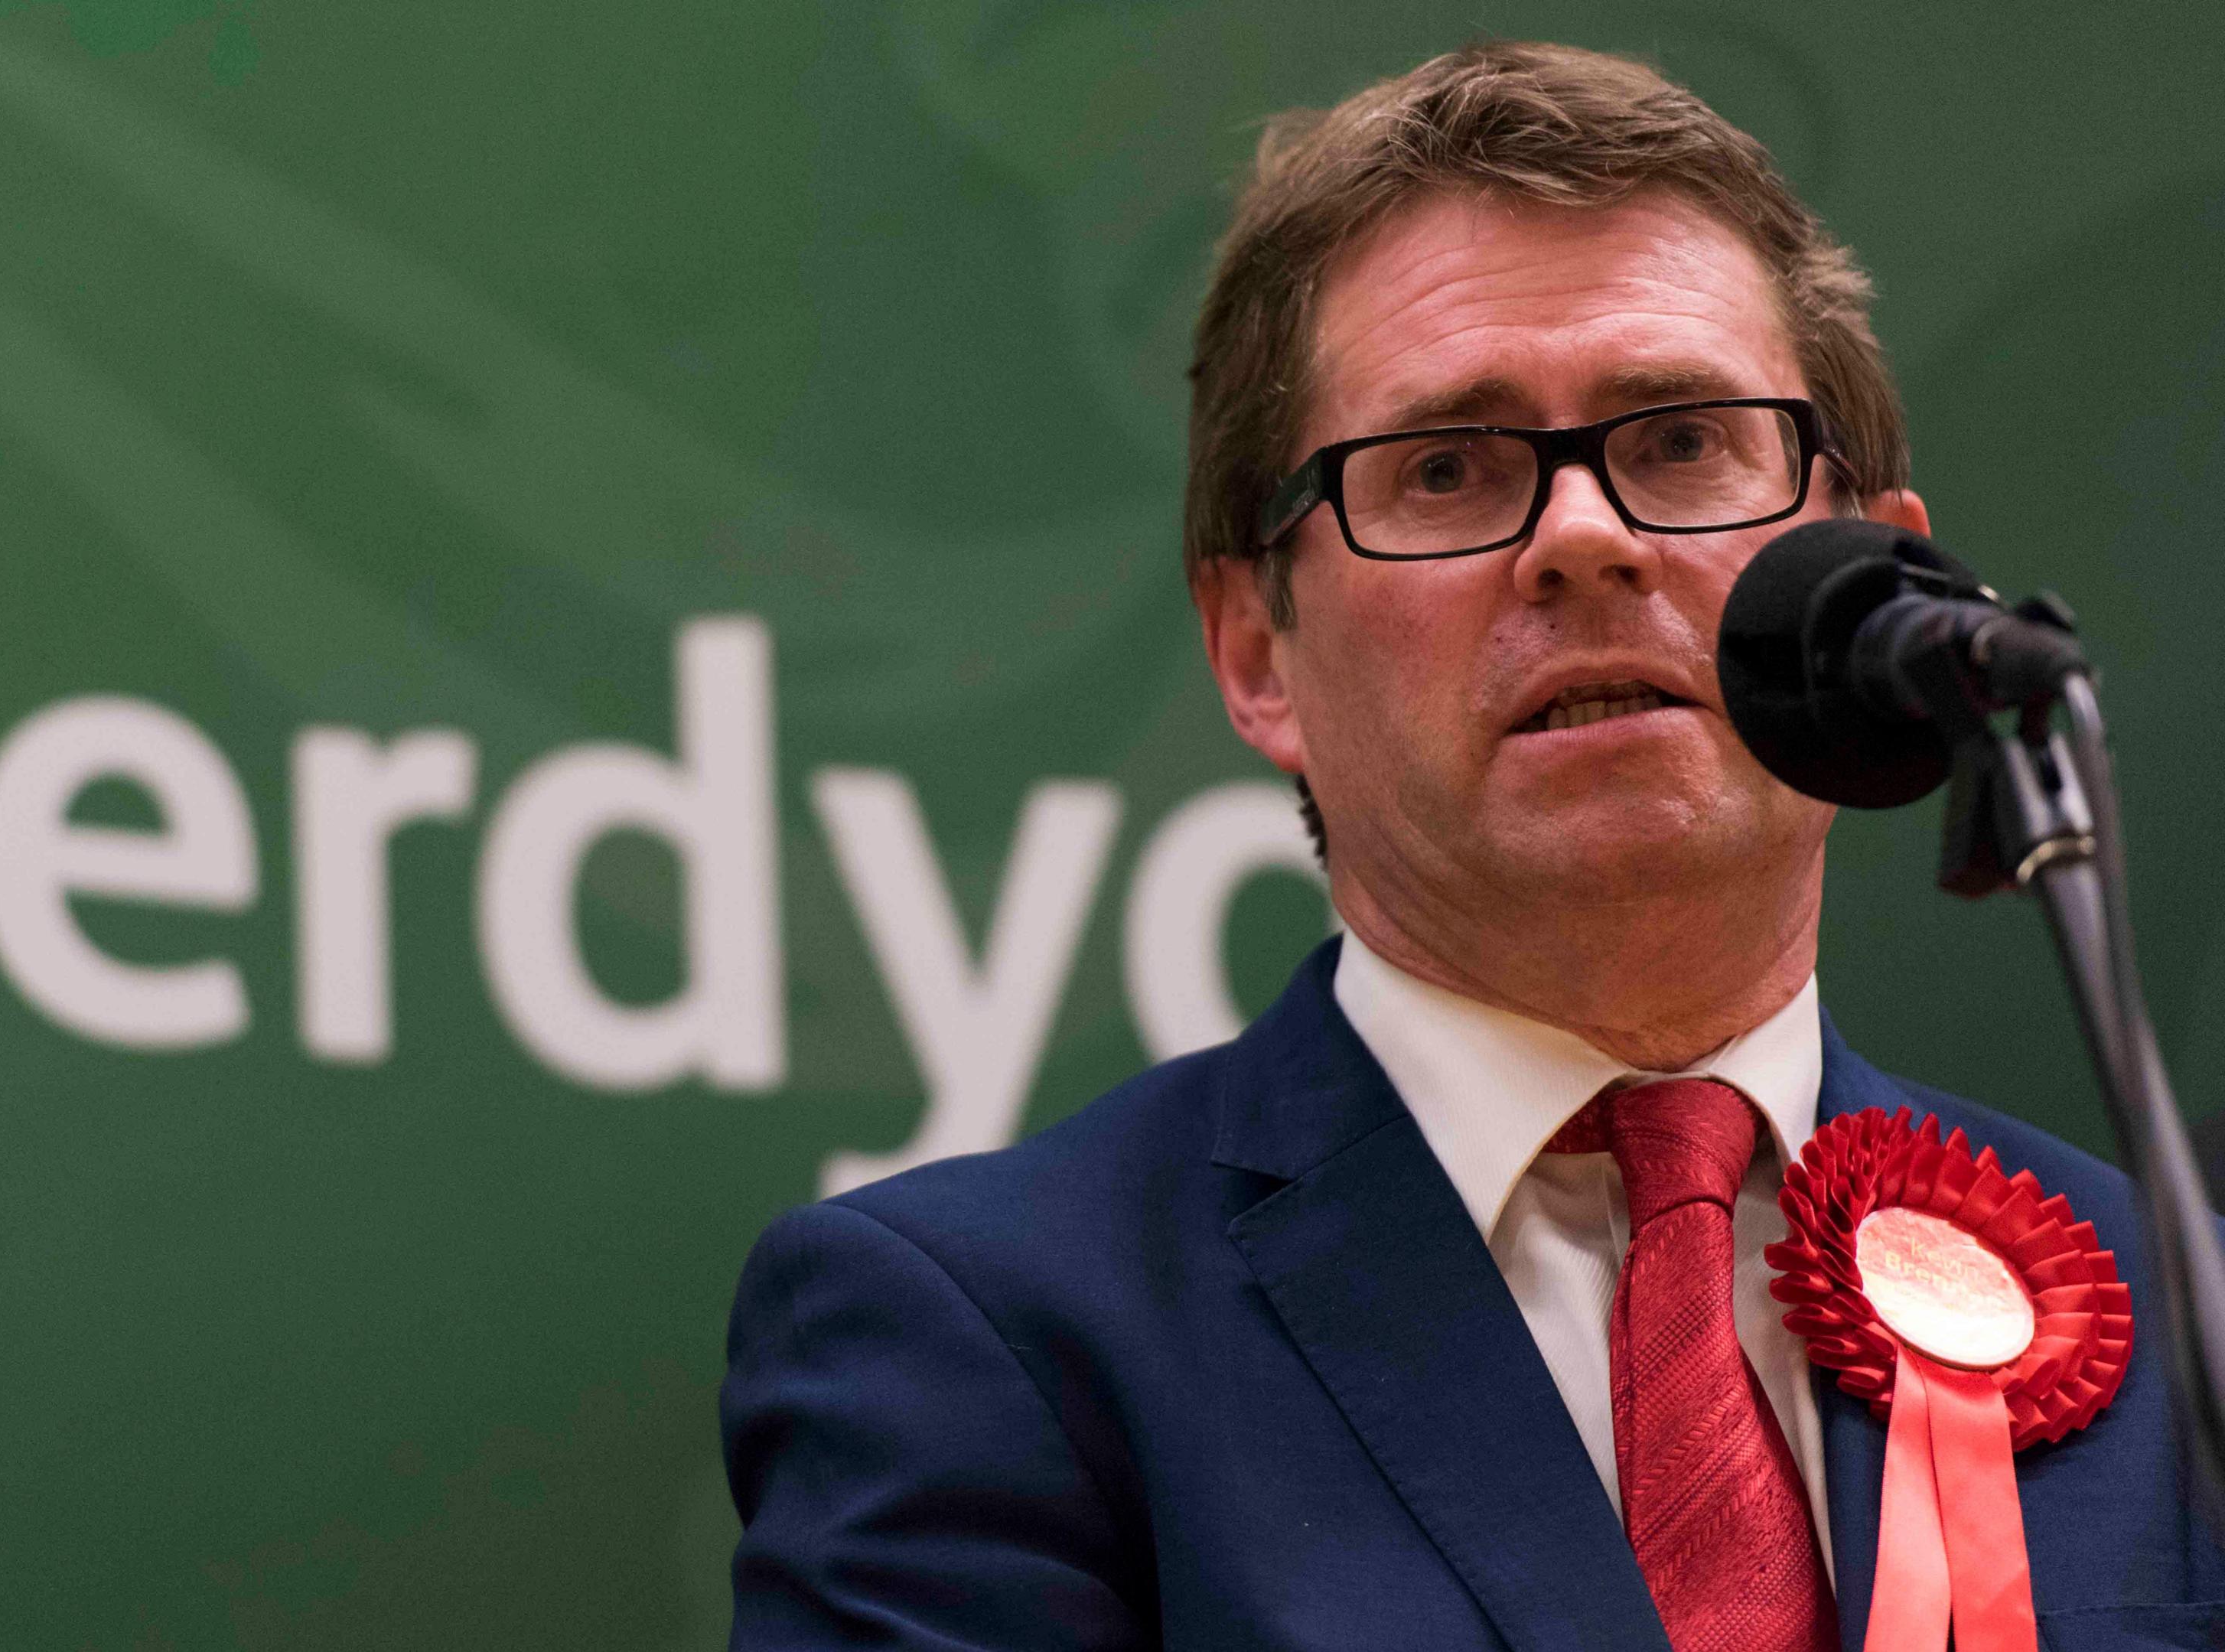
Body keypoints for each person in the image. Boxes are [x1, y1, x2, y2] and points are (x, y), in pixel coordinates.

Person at [721, 41, 2225, 1650]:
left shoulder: (2183, 1317)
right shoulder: (983, 1338)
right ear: (1254, 650)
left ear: (1877, 582)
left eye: (1683, 441)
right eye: (1446, 469)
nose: (1586, 539)